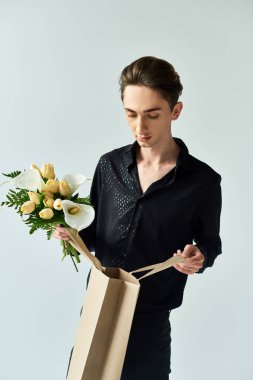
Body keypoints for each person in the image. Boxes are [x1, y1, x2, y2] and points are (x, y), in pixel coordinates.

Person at [53, 56, 222, 380]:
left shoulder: (203, 182)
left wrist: (198, 257)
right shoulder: (109, 166)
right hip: (97, 308)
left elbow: (210, 245)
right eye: (130, 114)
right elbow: (90, 233)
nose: (139, 128)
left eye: (152, 115)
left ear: (176, 111)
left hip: (150, 322)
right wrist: (68, 233)